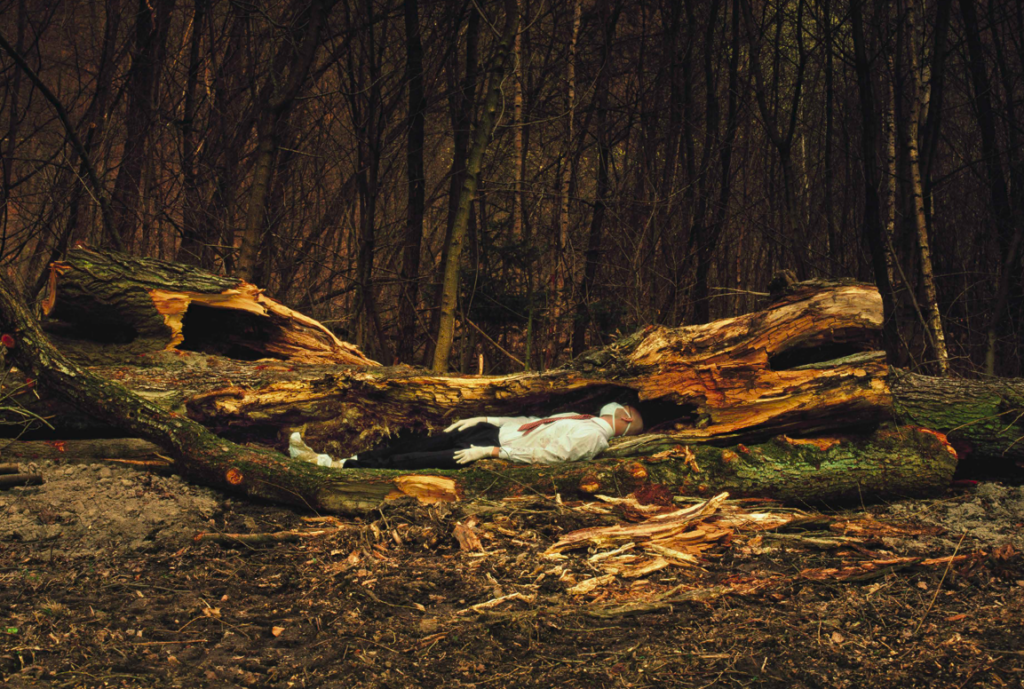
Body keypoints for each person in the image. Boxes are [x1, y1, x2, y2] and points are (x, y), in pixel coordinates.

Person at [288, 403, 644, 471]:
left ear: (624, 418)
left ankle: (334, 467)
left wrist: (491, 453)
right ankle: (335, 459)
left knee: (412, 463)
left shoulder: (593, 438)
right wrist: (486, 418)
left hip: (496, 447)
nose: (614, 404)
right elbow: (534, 420)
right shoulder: (581, 418)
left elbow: (548, 458)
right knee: (414, 443)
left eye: (621, 406)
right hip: (494, 431)